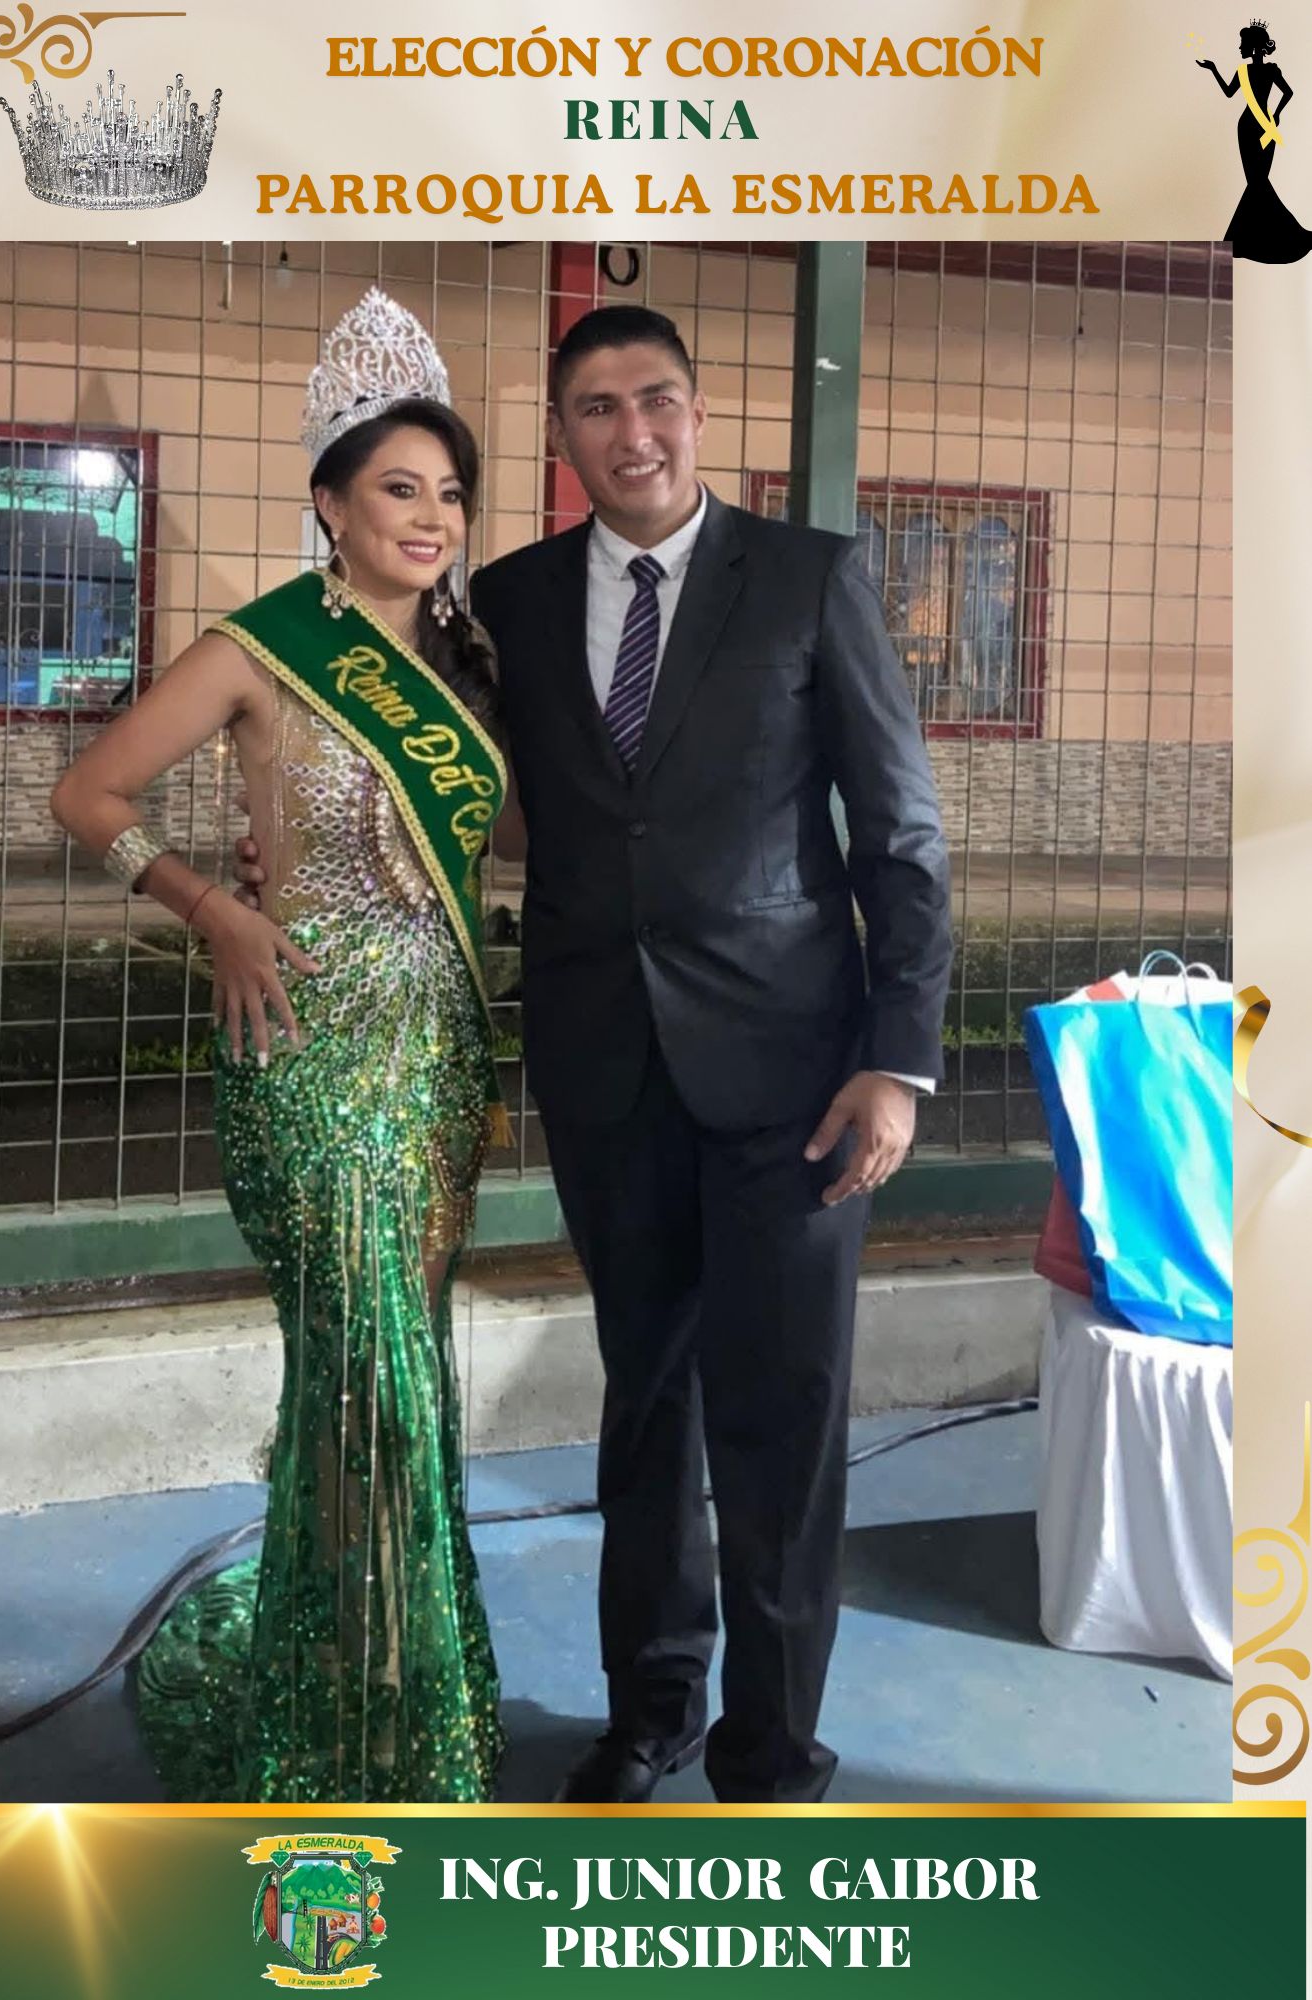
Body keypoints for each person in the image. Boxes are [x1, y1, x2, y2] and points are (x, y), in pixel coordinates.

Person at [238, 302, 952, 1805]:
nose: (633, 432)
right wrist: (285, 859)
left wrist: (897, 1061)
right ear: (562, 438)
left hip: (797, 1080)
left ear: (698, 411)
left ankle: (771, 1747)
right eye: (597, 409)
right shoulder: (505, 598)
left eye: (657, 399)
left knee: (781, 1416)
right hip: (604, 1069)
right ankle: (654, 1710)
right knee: (644, 1402)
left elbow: (899, 835)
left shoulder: (808, 578)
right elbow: (442, 782)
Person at [50, 288, 517, 1802]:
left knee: (400, 1368)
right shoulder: (257, 650)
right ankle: (359, 1725)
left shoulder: (467, 670)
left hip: (435, 1053)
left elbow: (496, 845)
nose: (430, 517)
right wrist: (216, 911)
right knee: (363, 1366)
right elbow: (88, 795)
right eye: (399, 487)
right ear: (330, 502)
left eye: (449, 493)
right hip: (305, 1045)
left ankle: (374, 1672)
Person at [1199, 20, 1312, 263]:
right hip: (1254, 128)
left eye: (1243, 44)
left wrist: (1278, 114)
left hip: (1258, 127)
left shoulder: (1268, 70)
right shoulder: (1247, 71)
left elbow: (1288, 92)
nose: (1240, 47)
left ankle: (1249, 239)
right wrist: (1214, 70)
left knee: (1258, 183)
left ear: (1253, 46)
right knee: (1257, 183)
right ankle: (1265, 238)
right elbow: (1230, 92)